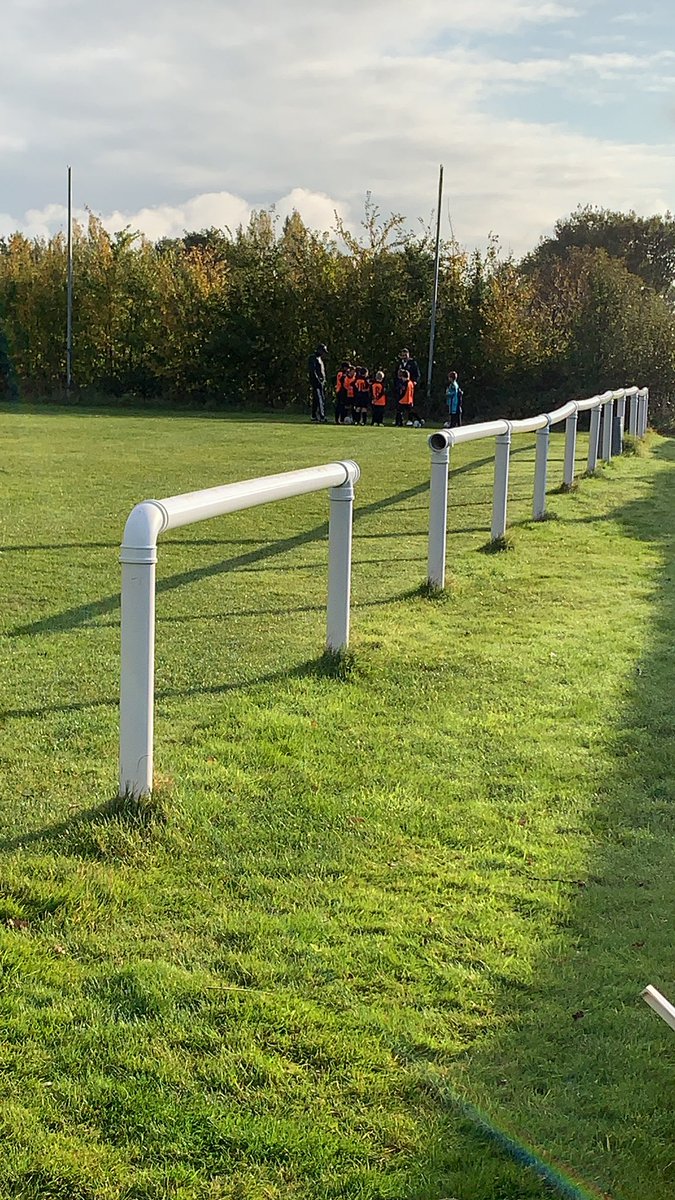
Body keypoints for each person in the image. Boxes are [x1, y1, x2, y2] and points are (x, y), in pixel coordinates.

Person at [308, 343, 328, 422]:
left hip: (321, 382)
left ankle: (314, 415)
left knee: (317, 399)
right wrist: (317, 380)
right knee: (320, 399)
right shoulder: (313, 358)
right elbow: (312, 371)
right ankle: (322, 416)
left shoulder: (319, 359)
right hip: (316, 382)